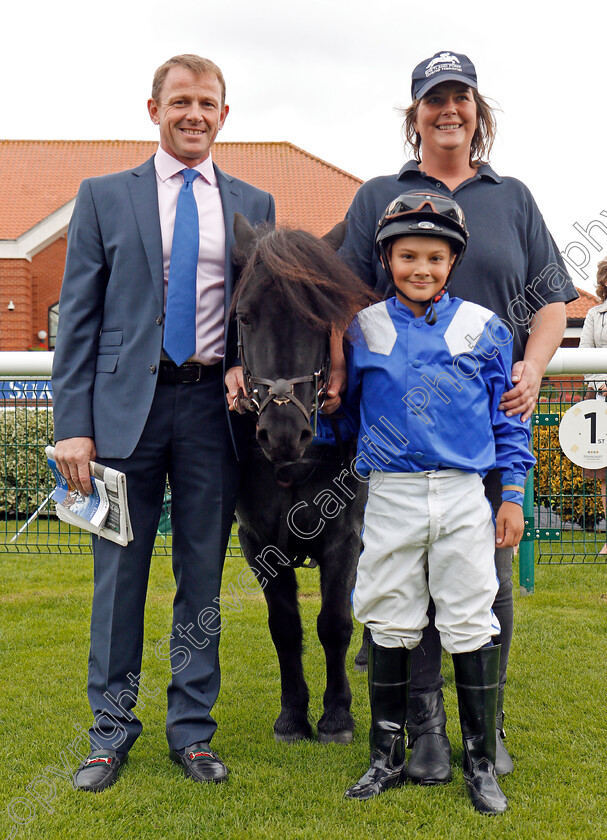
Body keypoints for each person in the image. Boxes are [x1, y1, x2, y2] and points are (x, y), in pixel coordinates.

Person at [339, 50, 577, 782]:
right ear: (413, 115)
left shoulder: (512, 198)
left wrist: (532, 367)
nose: (448, 110)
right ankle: (425, 727)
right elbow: (342, 297)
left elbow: (550, 302)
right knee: (402, 582)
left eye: (460, 98)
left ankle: (486, 729)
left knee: (487, 583)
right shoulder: (378, 192)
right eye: (433, 99)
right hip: (402, 439)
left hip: (484, 419)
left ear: (478, 112)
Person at [52, 54, 275, 792]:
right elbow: (77, 322)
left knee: (201, 579)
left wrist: (245, 361)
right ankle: (109, 733)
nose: (193, 115)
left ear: (224, 114)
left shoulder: (255, 204)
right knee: (119, 577)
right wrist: (72, 425)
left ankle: (193, 732)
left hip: (213, 411)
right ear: (153, 110)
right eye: (179, 101)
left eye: (206, 103)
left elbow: (257, 310)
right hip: (120, 418)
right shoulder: (103, 196)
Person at [343, 193, 535, 815]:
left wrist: (510, 495)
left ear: (452, 262)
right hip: (391, 494)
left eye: (433, 256)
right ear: (387, 259)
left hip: (460, 494)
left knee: (470, 618)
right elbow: (345, 418)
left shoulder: (485, 328)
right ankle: (385, 757)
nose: (420, 268)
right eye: (406, 256)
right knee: (388, 616)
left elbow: (509, 422)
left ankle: (480, 763)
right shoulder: (363, 329)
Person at [580, 257, 607, 553]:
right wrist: (601, 383)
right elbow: (584, 353)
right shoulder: (593, 314)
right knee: (605, 475)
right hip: (599, 400)